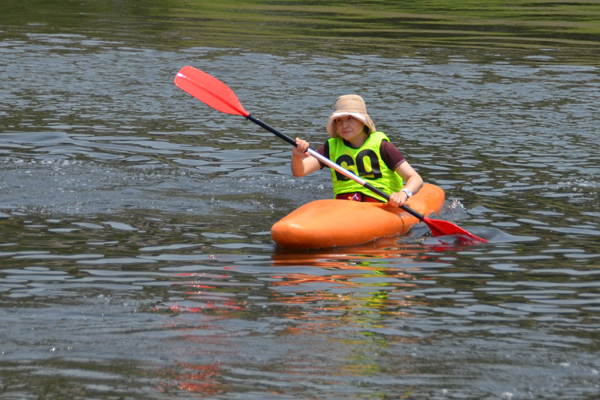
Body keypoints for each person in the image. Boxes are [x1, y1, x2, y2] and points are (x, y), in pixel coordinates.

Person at [291, 94, 423, 208]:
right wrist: (297, 156)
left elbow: (415, 178)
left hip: (381, 206)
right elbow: (300, 171)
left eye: (350, 118)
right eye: (339, 120)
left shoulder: (382, 145)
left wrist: (403, 193)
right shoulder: (331, 147)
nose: (344, 125)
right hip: (344, 206)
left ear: (363, 121)